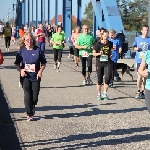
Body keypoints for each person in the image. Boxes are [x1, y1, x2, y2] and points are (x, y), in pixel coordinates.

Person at [14, 32, 47, 121]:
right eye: (27, 40)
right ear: (24, 41)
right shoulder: (21, 51)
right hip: (25, 76)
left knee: (35, 97)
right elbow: (17, 64)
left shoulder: (38, 50)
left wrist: (40, 71)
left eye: (30, 39)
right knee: (27, 94)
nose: (29, 41)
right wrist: (21, 70)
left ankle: (32, 106)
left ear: (33, 40)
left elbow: (43, 63)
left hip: (35, 76)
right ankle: (29, 113)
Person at [93, 30, 113, 100]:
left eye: (107, 36)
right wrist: (99, 54)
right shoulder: (98, 44)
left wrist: (111, 55)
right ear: (102, 36)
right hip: (99, 62)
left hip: (107, 62)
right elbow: (93, 53)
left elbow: (110, 51)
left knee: (107, 78)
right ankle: (99, 94)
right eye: (105, 36)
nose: (106, 38)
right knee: (100, 80)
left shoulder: (110, 43)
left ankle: (105, 93)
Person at [133, 25, 150, 99]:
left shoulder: (149, 39)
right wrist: (136, 48)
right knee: (139, 76)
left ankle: (143, 91)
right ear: (141, 31)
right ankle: (138, 90)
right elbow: (134, 46)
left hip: (147, 60)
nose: (146, 32)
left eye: (147, 30)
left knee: (145, 76)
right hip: (139, 60)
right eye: (145, 30)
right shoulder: (137, 38)